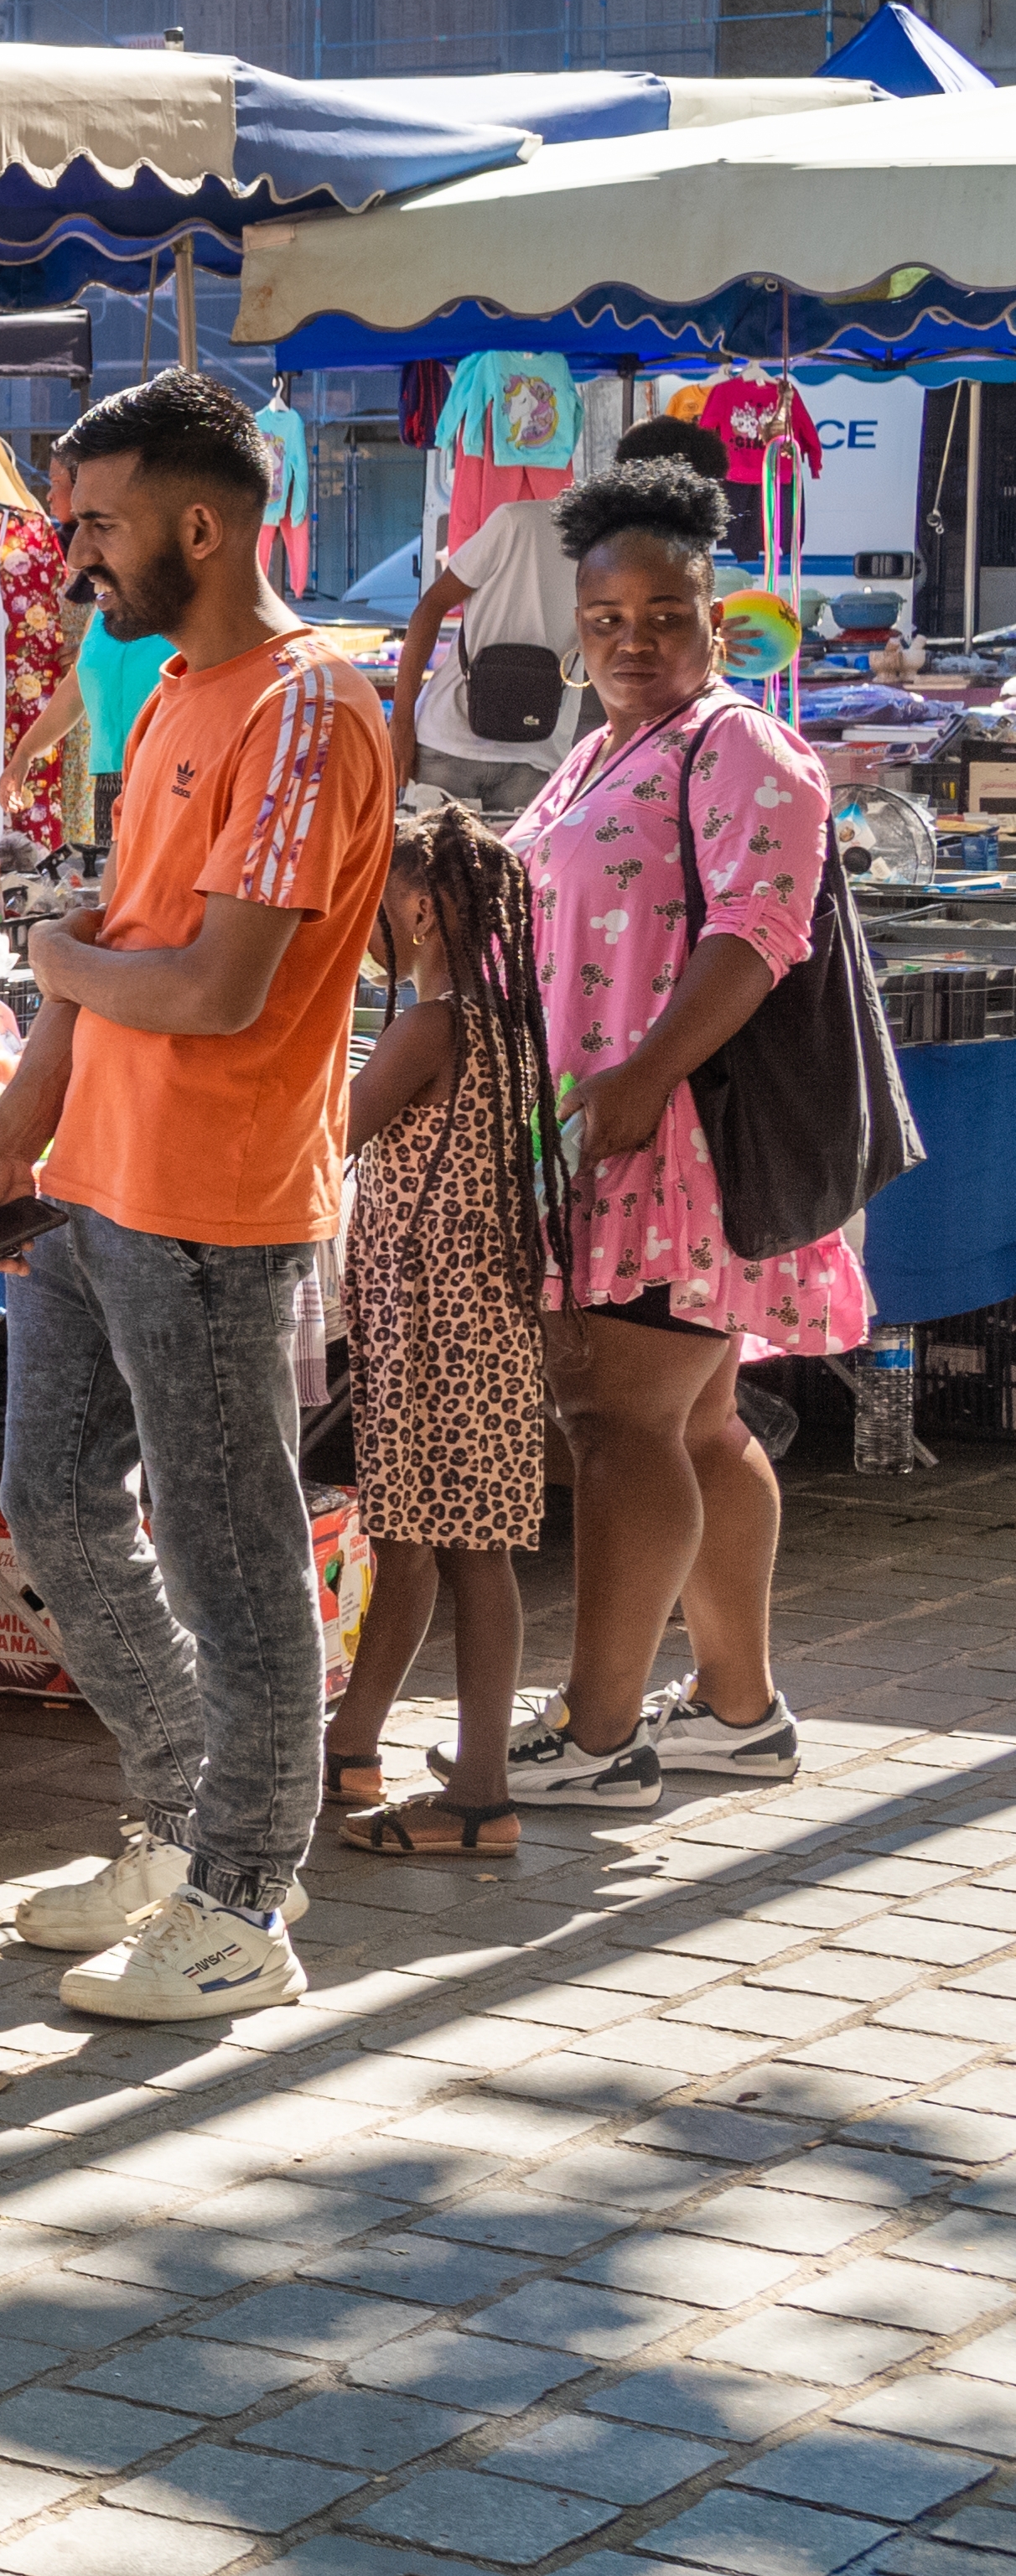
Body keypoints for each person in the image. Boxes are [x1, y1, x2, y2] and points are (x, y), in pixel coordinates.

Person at [0, 370, 398, 2024]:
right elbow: (127, 951)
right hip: (98, 1176)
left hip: (214, 1194)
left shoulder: (304, 708)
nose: (76, 555)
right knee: (56, 1502)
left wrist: (46, 950)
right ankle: (176, 1820)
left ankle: (242, 1899)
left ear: (201, 523)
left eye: (100, 520)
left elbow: (207, 985)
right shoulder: (182, 696)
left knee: (234, 1551)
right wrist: (16, 1124)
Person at [500, 457, 862, 1807]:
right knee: (702, 1422)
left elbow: (759, 930)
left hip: (677, 1136)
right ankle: (736, 1706)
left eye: (667, 614)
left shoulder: (743, 743)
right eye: (608, 621)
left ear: (717, 617)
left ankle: (599, 1739)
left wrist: (645, 1076)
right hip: (617, 1126)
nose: (636, 641)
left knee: (616, 1419)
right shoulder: (601, 747)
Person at [324, 806, 573, 1857]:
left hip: (442, 1322)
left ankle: (479, 1795)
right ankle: (352, 1744)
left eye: (374, 906)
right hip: (456, 1313)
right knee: (417, 1539)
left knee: (469, 1550)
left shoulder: (434, 1028)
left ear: (420, 911)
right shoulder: (502, 1023)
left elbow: (333, 1132)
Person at [397, 412, 728, 805]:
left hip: (539, 755)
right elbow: (432, 605)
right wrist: (400, 723)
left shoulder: (659, 567)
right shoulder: (519, 523)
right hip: (455, 742)